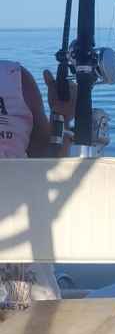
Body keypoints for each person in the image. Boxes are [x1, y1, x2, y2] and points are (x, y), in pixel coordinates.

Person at [0, 61, 76, 316]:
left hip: (19, 238)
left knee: (37, 329)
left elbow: (47, 163)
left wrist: (61, 117)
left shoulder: (16, 78)